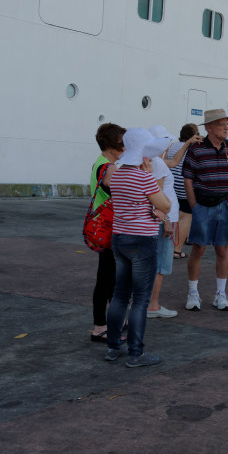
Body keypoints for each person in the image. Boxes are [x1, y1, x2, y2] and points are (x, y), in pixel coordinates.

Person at [104, 127, 171, 367]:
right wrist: (151, 177)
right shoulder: (144, 177)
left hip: (119, 236)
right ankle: (136, 353)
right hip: (142, 238)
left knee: (120, 294)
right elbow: (165, 204)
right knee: (140, 299)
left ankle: (113, 346)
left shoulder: (117, 174)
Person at [182, 109, 228, 312]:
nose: (226, 128)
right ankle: (193, 293)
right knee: (199, 248)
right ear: (209, 127)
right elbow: (188, 177)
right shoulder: (197, 149)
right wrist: (194, 205)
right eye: (222, 125)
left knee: (222, 249)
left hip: (226, 204)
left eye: (227, 124)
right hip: (203, 204)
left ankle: (220, 294)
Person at [89, 123, 125, 343]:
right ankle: (100, 326)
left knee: (110, 275)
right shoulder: (109, 167)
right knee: (107, 277)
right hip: (109, 227)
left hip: (103, 225)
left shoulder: (101, 162)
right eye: (123, 142)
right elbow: (119, 194)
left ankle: (114, 318)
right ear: (114, 145)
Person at [144, 126, 181, 319]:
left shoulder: (150, 161)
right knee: (161, 264)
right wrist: (166, 219)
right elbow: (157, 195)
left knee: (152, 262)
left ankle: (148, 303)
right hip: (164, 217)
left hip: (158, 217)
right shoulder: (157, 163)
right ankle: (153, 304)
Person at [166, 123, 201, 258]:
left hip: (172, 185)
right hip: (186, 185)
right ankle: (177, 249)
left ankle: (172, 243)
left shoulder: (172, 146)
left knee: (174, 215)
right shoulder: (194, 146)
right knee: (186, 216)